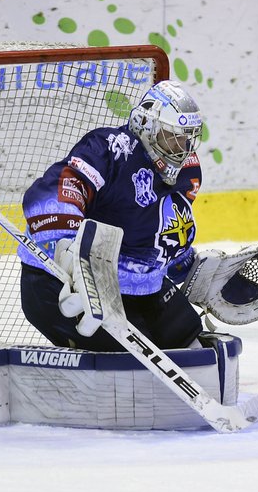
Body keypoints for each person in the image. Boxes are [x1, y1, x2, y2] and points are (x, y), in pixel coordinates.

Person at [19, 80, 208, 352]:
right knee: (131, 352)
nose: (182, 147)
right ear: (147, 125)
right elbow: (62, 187)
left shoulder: (187, 172)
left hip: (135, 286)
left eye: (187, 137)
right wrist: (66, 249)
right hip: (64, 284)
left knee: (186, 333)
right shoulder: (111, 149)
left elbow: (156, 234)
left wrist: (191, 268)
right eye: (173, 136)